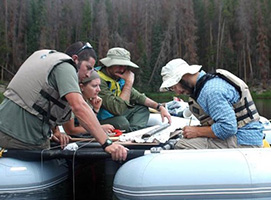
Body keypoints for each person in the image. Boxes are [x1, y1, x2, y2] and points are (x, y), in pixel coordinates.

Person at [0, 41, 128, 161]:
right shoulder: (66, 66)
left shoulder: (44, 56)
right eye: (88, 67)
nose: (89, 74)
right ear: (75, 59)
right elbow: (78, 106)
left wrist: (55, 130)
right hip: (20, 138)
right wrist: (107, 143)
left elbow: (40, 96)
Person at [159, 58, 264, 149]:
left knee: (181, 144)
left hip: (245, 141)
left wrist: (196, 131)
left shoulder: (211, 92)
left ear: (183, 76)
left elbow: (228, 128)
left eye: (174, 86)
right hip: (244, 137)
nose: (177, 92)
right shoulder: (207, 86)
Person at [96, 47, 171, 132]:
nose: (122, 69)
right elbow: (118, 109)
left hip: (115, 115)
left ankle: (132, 133)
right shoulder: (97, 80)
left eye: (124, 66)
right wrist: (128, 82)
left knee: (142, 109)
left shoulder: (117, 77)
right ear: (109, 64)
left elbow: (138, 97)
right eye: (118, 65)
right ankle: (127, 132)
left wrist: (159, 107)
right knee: (122, 122)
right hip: (100, 120)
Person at [62, 70, 115, 136]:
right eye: (94, 86)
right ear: (81, 87)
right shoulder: (71, 101)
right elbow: (70, 131)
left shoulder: (88, 100)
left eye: (99, 86)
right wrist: (100, 128)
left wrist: (95, 109)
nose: (99, 89)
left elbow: (84, 126)